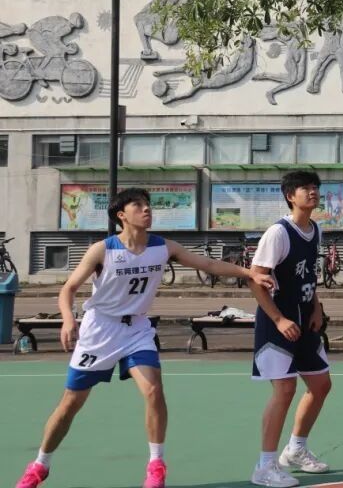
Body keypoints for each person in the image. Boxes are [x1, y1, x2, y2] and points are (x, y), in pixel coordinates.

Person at [16, 188, 274, 488]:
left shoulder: (163, 246)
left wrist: (249, 273)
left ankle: (156, 464)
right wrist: (68, 318)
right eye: (138, 205)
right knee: (71, 402)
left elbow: (209, 265)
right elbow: (68, 289)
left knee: (153, 390)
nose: (146, 209)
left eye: (147, 204)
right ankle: (40, 464)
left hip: (137, 329)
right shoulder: (103, 250)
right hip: (100, 329)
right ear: (121, 215)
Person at [249, 170, 334, 487]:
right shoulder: (278, 233)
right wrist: (278, 319)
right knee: (285, 390)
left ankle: (296, 449)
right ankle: (264, 466)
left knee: (321, 385)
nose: (312, 192)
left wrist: (317, 307)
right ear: (290, 196)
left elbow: (308, 275)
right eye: (305, 188)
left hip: (305, 317)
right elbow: (255, 280)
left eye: (315, 187)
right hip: (279, 320)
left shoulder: (316, 230)